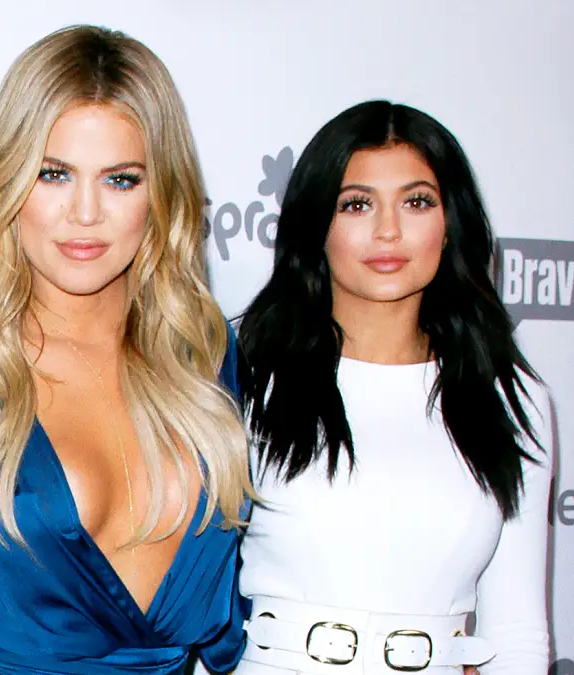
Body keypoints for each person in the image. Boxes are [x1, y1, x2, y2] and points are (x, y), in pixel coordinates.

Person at [0, 24, 254, 675]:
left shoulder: (203, 356)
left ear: (163, 195)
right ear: (5, 181)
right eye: (54, 174)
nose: (84, 212)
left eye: (121, 180)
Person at [234, 100, 552, 674]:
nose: (388, 230)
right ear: (316, 225)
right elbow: (197, 607)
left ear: (450, 222)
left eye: (416, 201)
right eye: (357, 204)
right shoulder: (246, 374)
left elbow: (518, 637)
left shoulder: (510, 396)